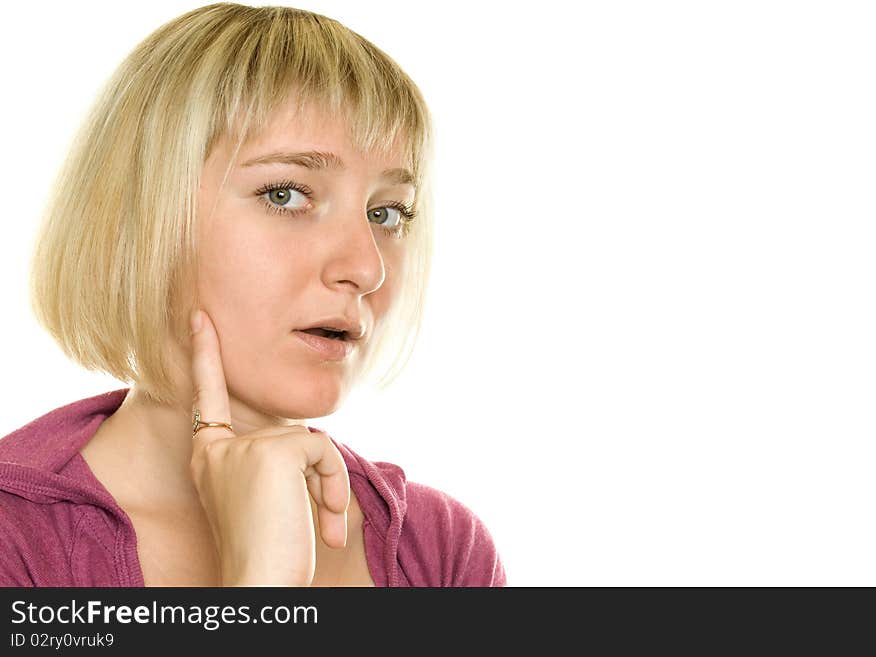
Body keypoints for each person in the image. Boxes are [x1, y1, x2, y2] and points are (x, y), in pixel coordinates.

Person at [0, 2, 506, 587]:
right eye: (287, 195)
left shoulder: (442, 553)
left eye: (387, 212)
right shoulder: (16, 544)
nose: (367, 267)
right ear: (143, 216)